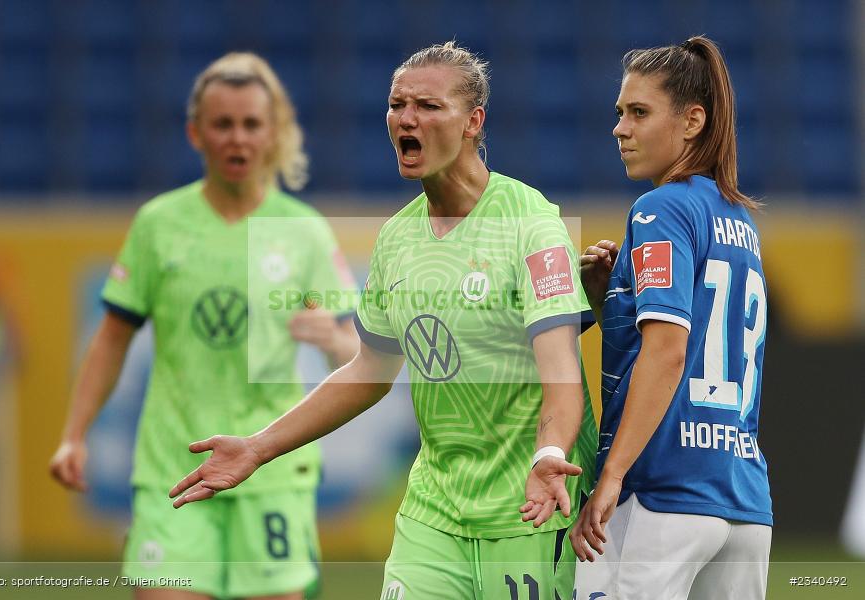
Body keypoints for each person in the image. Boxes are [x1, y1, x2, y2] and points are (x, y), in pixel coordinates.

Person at [169, 42, 598, 600]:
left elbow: (561, 374)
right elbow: (369, 370)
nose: (406, 119)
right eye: (397, 105)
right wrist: (258, 446)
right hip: (433, 513)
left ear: (474, 121)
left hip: (529, 509)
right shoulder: (397, 237)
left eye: (427, 105)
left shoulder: (531, 225)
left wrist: (549, 457)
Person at [49, 52, 360, 600]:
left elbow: (357, 358)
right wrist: (74, 434)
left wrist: (333, 338)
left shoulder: (303, 232)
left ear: (272, 133)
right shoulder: (159, 225)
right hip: (174, 473)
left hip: (272, 473)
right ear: (196, 134)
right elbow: (111, 339)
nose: (236, 138)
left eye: (250, 124)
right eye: (222, 124)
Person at [569, 36, 772, 599]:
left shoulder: (661, 207)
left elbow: (669, 350)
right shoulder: (740, 223)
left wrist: (610, 479)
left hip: (660, 493)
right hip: (744, 500)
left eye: (639, 112)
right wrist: (610, 297)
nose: (620, 128)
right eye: (618, 113)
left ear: (692, 122)